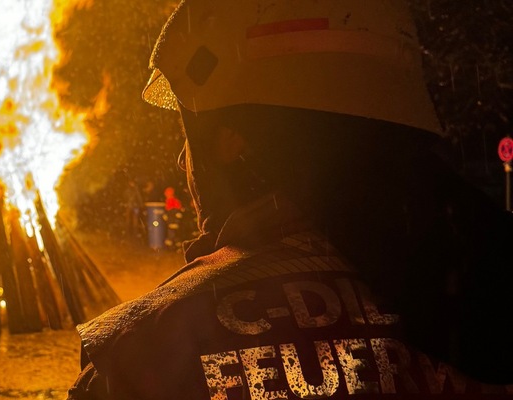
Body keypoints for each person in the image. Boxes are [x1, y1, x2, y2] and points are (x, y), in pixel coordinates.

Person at [67, 0, 513, 398]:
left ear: (229, 143)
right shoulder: (484, 303)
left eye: (189, 138)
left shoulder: (148, 355)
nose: (185, 161)